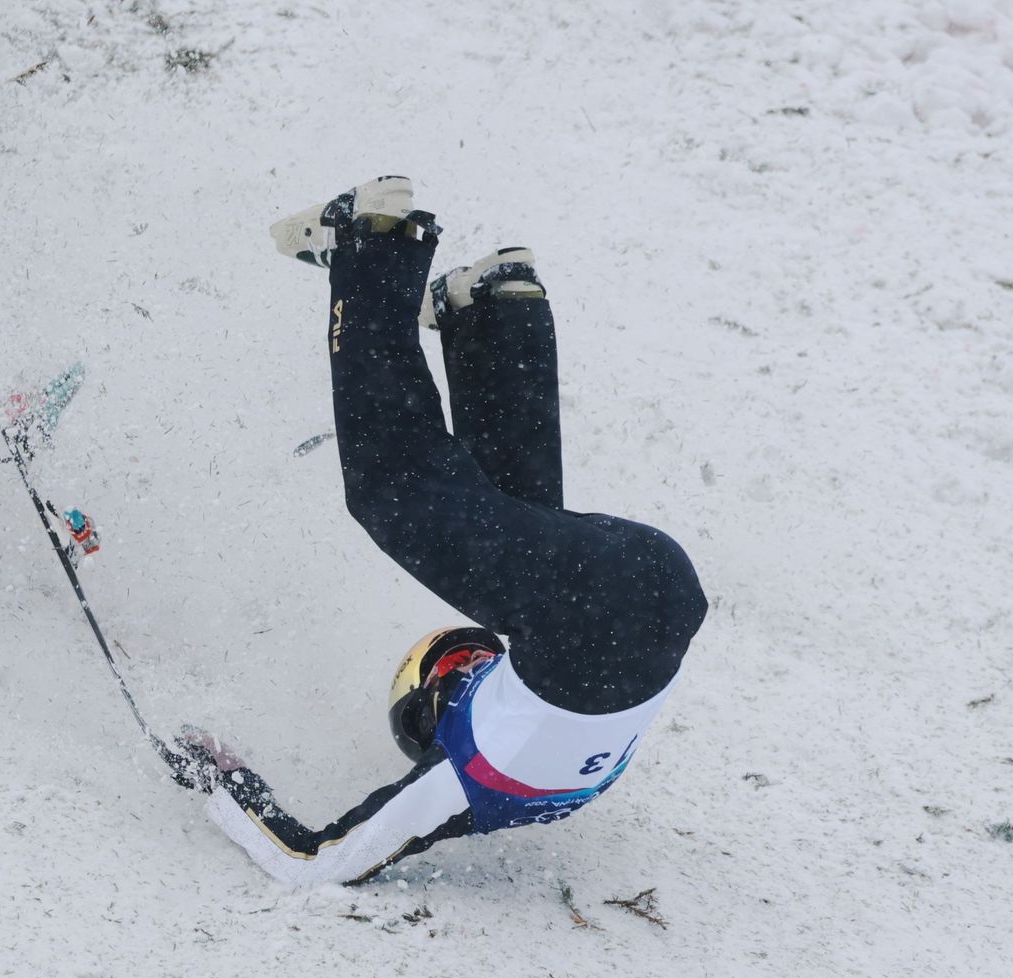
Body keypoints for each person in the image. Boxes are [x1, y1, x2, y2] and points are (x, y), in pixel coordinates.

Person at [188, 176, 707, 887]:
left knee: (502, 517)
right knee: (392, 492)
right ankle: (368, 243)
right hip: (595, 619)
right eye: (453, 670)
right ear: (429, 714)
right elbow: (310, 863)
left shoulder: (551, 780)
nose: (462, 671)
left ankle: (493, 307)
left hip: (658, 589)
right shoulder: (465, 780)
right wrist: (216, 777)